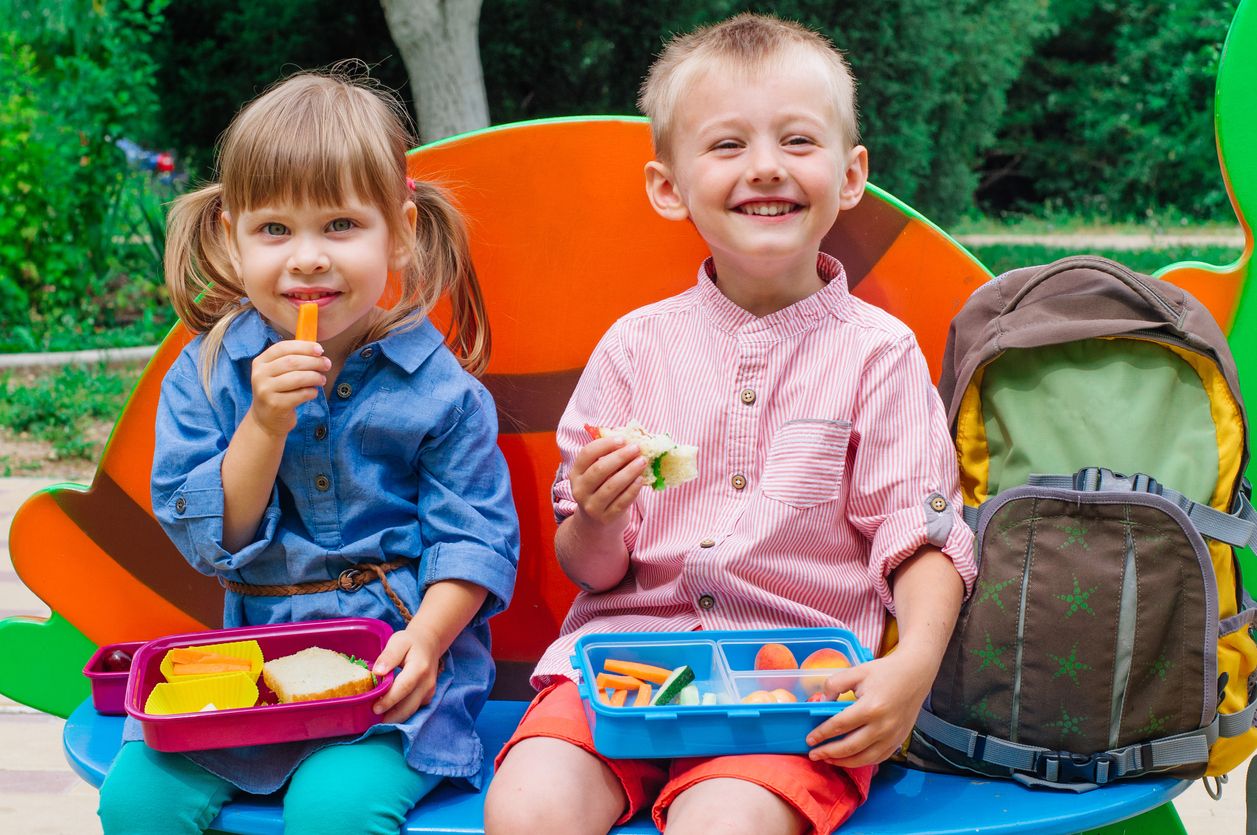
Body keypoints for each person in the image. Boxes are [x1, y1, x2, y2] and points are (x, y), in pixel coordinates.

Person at [484, 14, 976, 835]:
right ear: (667, 187)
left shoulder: (877, 354)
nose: (765, 168)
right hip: (621, 671)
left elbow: (918, 535)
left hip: (793, 690)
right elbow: (590, 569)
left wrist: (911, 667)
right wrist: (599, 516)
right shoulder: (634, 347)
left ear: (850, 174)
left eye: (796, 141)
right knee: (525, 807)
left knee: (725, 825)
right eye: (725, 146)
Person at [97, 68, 520, 835]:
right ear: (231, 233)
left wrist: (425, 641)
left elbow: (476, 541)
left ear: (399, 227)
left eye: (340, 226)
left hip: (397, 674)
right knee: (136, 799)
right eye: (274, 230)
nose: (308, 259)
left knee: (335, 810)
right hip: (251, 662)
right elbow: (209, 541)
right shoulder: (205, 372)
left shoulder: (442, 394)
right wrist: (261, 424)